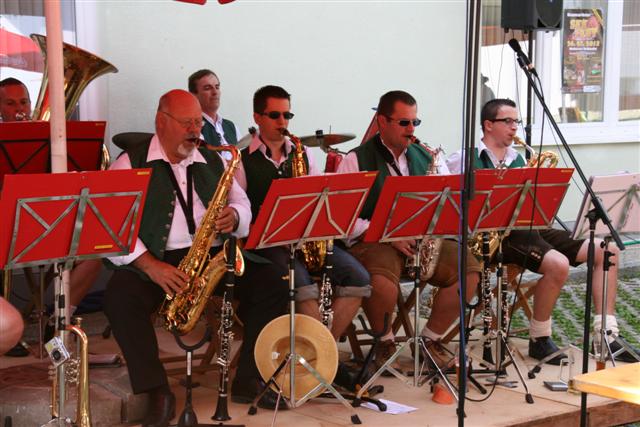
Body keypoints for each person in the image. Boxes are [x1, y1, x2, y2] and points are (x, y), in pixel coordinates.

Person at [103, 89, 289, 427]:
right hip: (157, 257)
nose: (195, 131)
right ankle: (156, 390)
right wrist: (150, 266)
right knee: (119, 296)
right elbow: (112, 227)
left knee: (273, 283)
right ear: (161, 122)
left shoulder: (213, 159)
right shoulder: (130, 162)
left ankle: (249, 378)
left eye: (198, 123)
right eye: (186, 123)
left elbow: (242, 202)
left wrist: (235, 215)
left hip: (212, 254)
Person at [446, 98, 639, 364]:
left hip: (528, 228)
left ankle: (606, 334)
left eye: (516, 121)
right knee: (558, 264)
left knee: (608, 251)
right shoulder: (463, 159)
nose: (515, 127)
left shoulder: (518, 158)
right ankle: (540, 337)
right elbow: (450, 204)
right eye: (508, 121)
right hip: (493, 237)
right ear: (488, 125)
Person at [336, 90, 482, 372]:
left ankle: (430, 340)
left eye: (415, 122)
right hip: (374, 241)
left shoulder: (425, 156)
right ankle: (384, 341)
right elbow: (343, 220)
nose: (411, 129)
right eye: (404, 123)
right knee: (381, 282)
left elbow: (448, 201)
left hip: (420, 240)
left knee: (469, 269)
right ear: (382, 121)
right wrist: (387, 234)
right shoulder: (355, 160)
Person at [234, 85, 371, 344]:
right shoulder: (241, 160)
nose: (283, 122)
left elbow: (321, 196)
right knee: (302, 285)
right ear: (257, 117)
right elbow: (238, 210)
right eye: (275, 115)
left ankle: (321, 354)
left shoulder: (303, 153)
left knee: (359, 278)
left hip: (306, 240)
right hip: (266, 245)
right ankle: (321, 355)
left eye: (287, 115)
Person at [0, 77, 102, 353]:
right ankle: (6, 332)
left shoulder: (49, 141)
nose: (19, 109)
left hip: (46, 224)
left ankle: (59, 320)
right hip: (7, 228)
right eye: (10, 104)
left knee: (97, 252)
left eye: (24, 102)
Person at [188, 69, 240, 149]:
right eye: (207, 88)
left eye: (217, 87)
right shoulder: (191, 128)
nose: (215, 92)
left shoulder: (232, 127)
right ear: (193, 95)